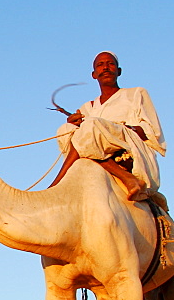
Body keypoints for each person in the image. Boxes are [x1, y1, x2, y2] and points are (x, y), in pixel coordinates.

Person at [49, 52, 165, 201]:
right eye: (100, 65)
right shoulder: (87, 108)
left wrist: (116, 128)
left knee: (91, 125)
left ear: (119, 71)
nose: (105, 68)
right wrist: (73, 124)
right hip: (94, 150)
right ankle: (121, 176)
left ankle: (56, 183)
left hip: (128, 145)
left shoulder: (136, 93)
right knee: (65, 130)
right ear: (94, 74)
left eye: (110, 64)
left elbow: (151, 131)